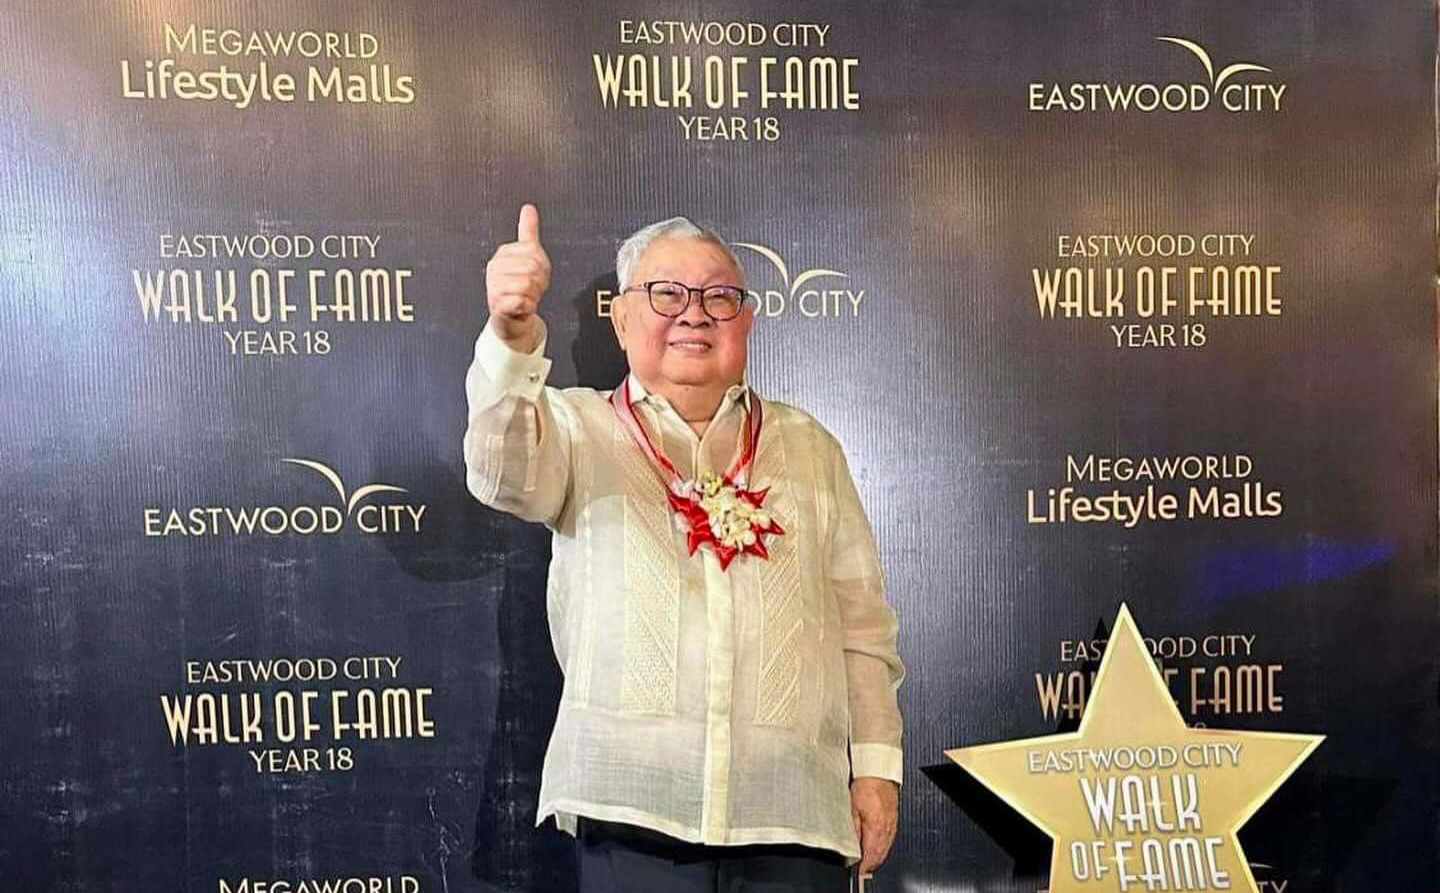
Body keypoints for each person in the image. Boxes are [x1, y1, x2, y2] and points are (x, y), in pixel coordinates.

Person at [462, 203, 905, 892]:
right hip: (634, 810)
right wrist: (512, 337)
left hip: (791, 818)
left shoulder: (808, 446)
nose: (695, 314)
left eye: (719, 297)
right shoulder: (574, 426)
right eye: (666, 293)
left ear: (748, 319)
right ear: (622, 318)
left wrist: (875, 767)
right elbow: (500, 475)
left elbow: (862, 626)